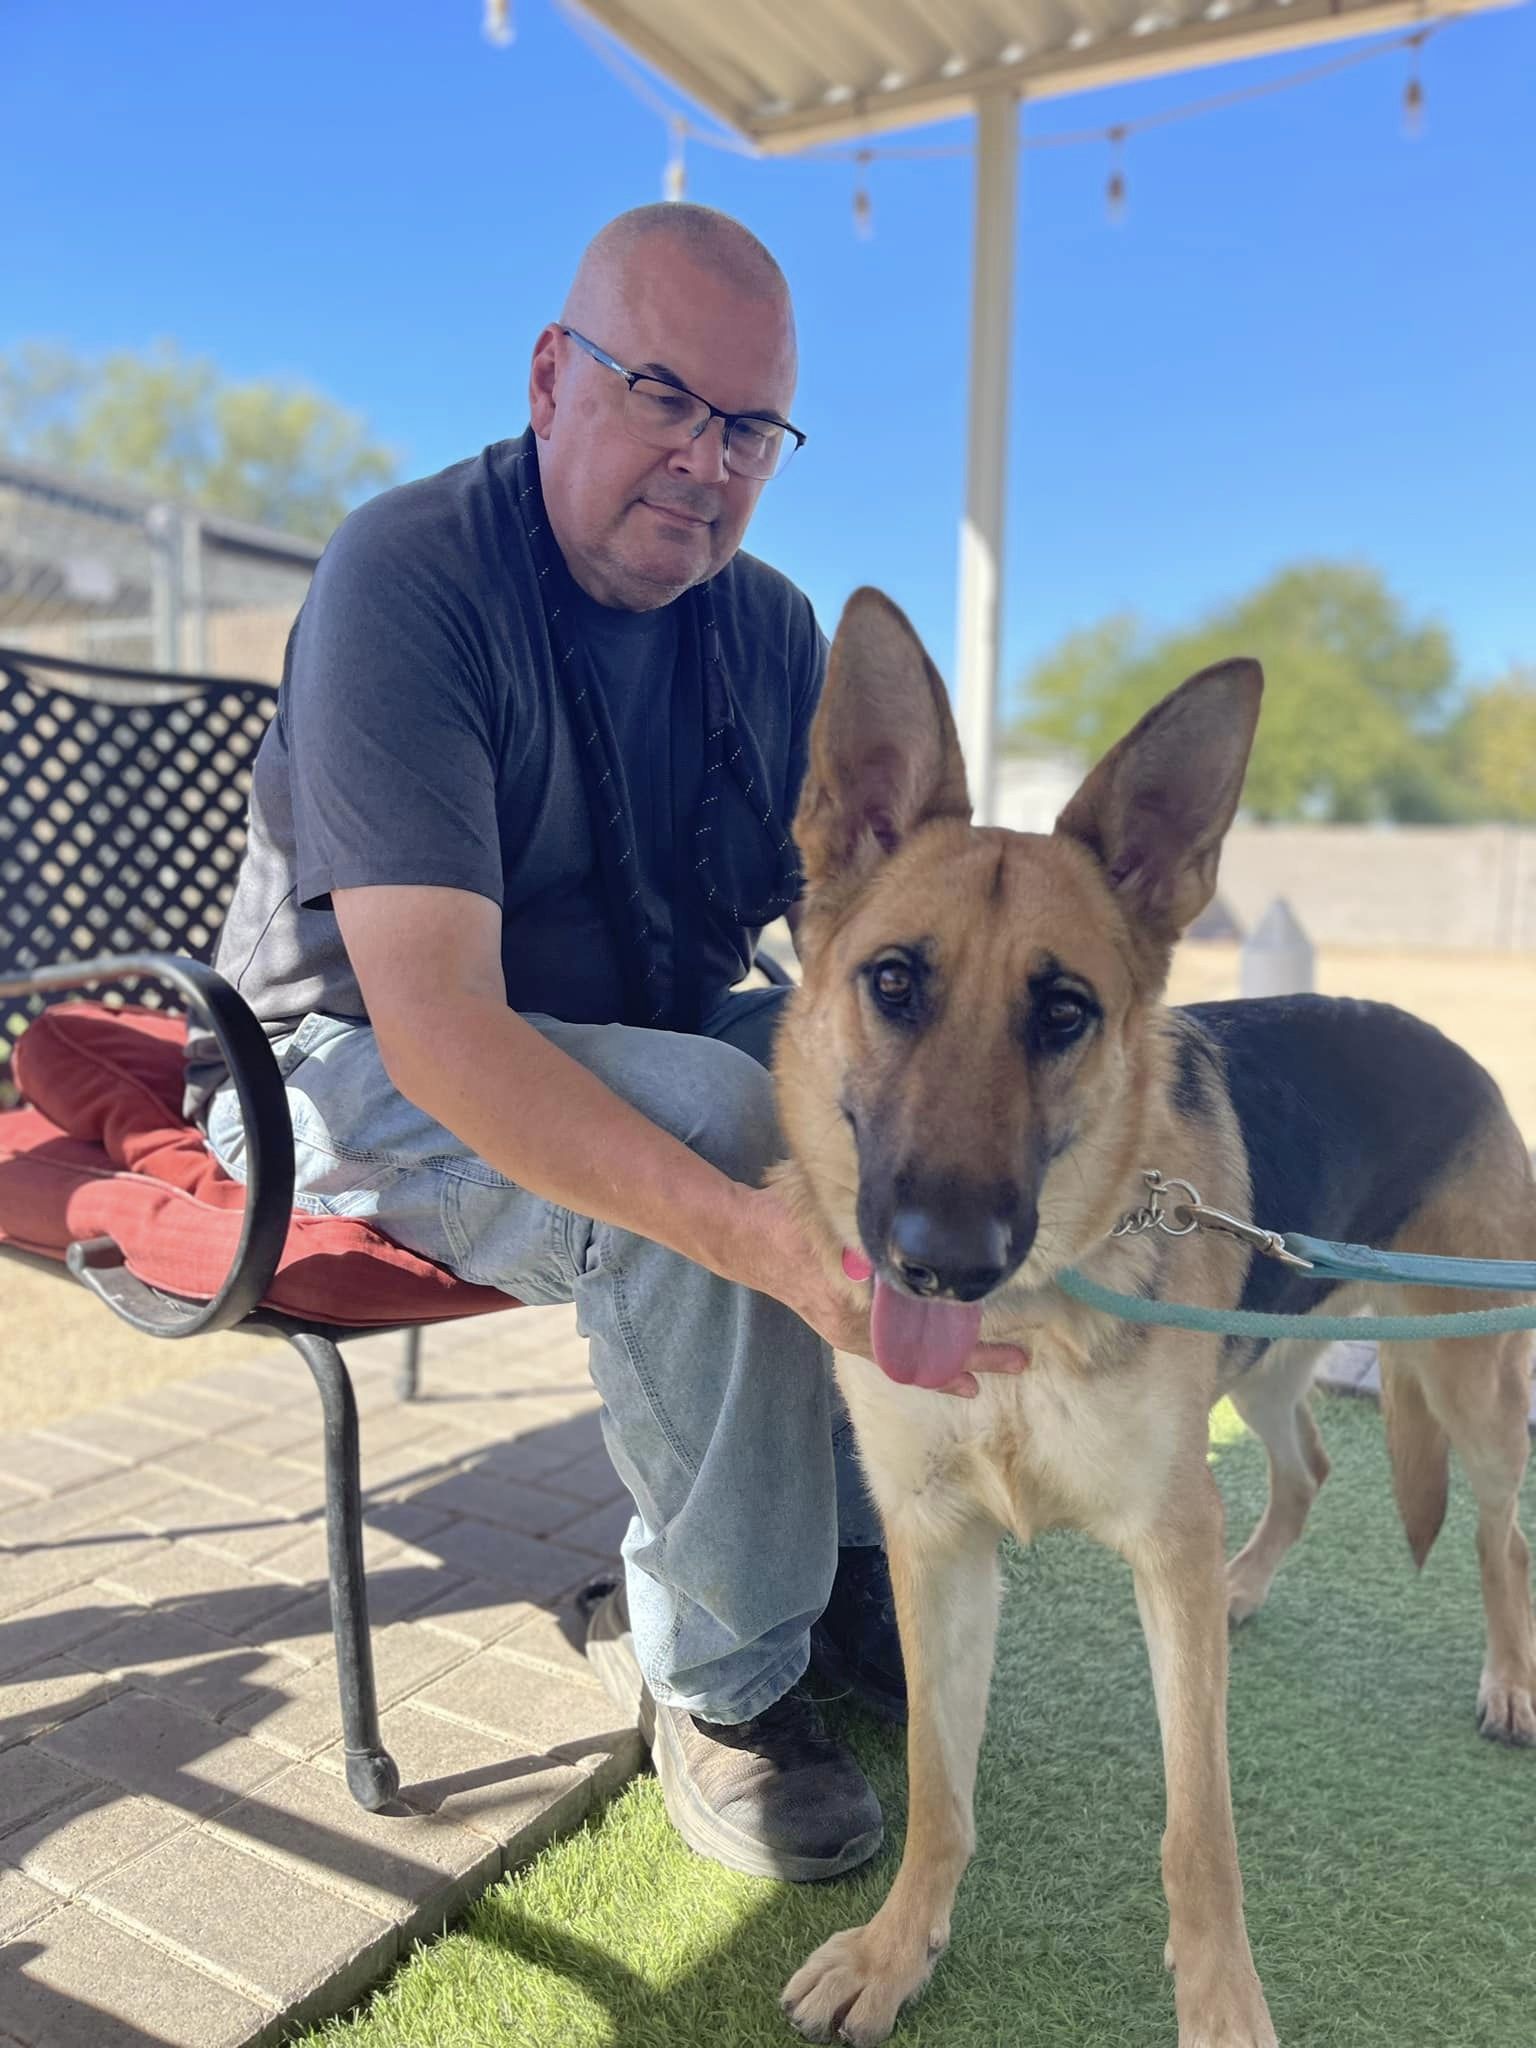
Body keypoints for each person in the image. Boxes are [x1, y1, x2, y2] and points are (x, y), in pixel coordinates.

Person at [188, 202, 1025, 1882]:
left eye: (749, 426)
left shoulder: (770, 628)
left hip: (630, 1032)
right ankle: (719, 1679)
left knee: (851, 1111)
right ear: (553, 377)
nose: (707, 461)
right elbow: (438, 1029)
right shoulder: (409, 577)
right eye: (664, 396)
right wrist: (752, 1234)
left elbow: (867, 952)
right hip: (344, 1068)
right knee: (729, 1121)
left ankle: (849, 1552)